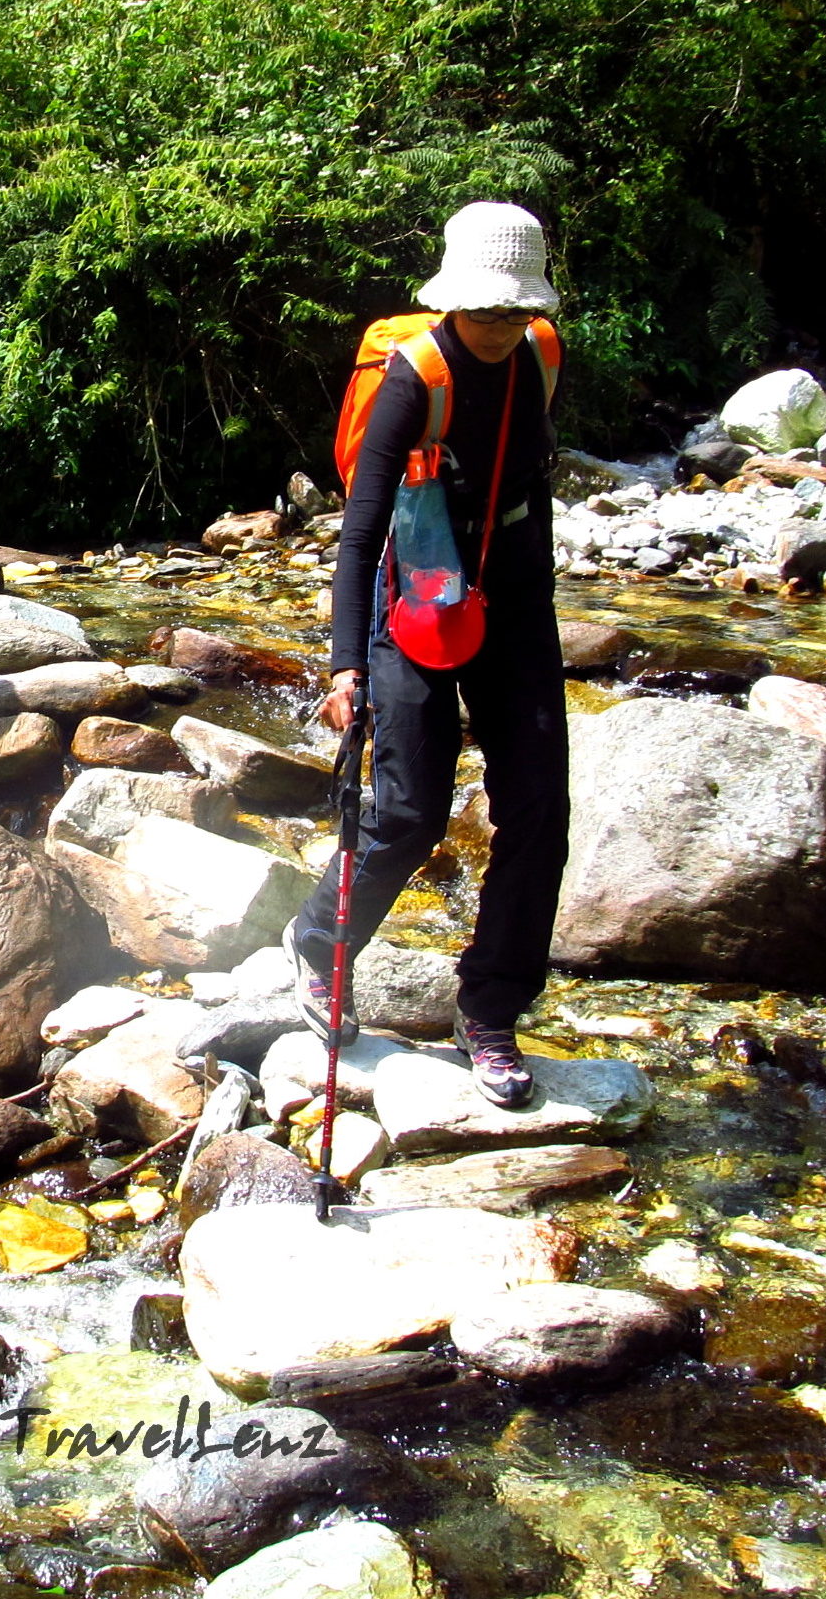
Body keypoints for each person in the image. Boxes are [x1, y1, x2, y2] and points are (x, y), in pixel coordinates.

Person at [297, 202, 569, 1108]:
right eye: (482, 312)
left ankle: (490, 1007)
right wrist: (346, 667)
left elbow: (532, 481)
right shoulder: (416, 379)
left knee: (539, 806)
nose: (497, 328)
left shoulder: (539, 354)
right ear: (452, 302)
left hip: (513, 594)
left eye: (511, 312)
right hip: (412, 590)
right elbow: (360, 530)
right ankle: (319, 945)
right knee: (411, 810)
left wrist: (536, 611)